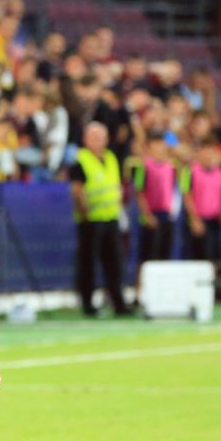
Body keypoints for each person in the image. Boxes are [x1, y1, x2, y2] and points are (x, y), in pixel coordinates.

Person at [69, 122, 128, 317]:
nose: (97, 141)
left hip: (111, 217)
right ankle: (88, 305)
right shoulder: (81, 160)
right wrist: (84, 211)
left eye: (100, 136)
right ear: (85, 139)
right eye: (93, 137)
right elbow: (77, 189)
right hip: (91, 220)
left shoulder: (111, 158)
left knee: (114, 263)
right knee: (88, 264)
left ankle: (119, 303)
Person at [134, 135, 176, 266]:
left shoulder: (171, 167)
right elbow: (139, 192)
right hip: (150, 215)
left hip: (166, 214)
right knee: (147, 254)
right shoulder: (143, 167)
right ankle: (142, 283)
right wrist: (147, 215)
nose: (159, 149)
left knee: (164, 253)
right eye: (155, 146)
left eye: (161, 146)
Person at [183, 141, 221, 261]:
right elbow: (186, 195)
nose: (208, 156)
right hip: (198, 220)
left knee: (215, 255)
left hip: (215, 220)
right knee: (198, 255)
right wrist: (194, 219)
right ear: (199, 153)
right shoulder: (189, 171)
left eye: (211, 153)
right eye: (205, 152)